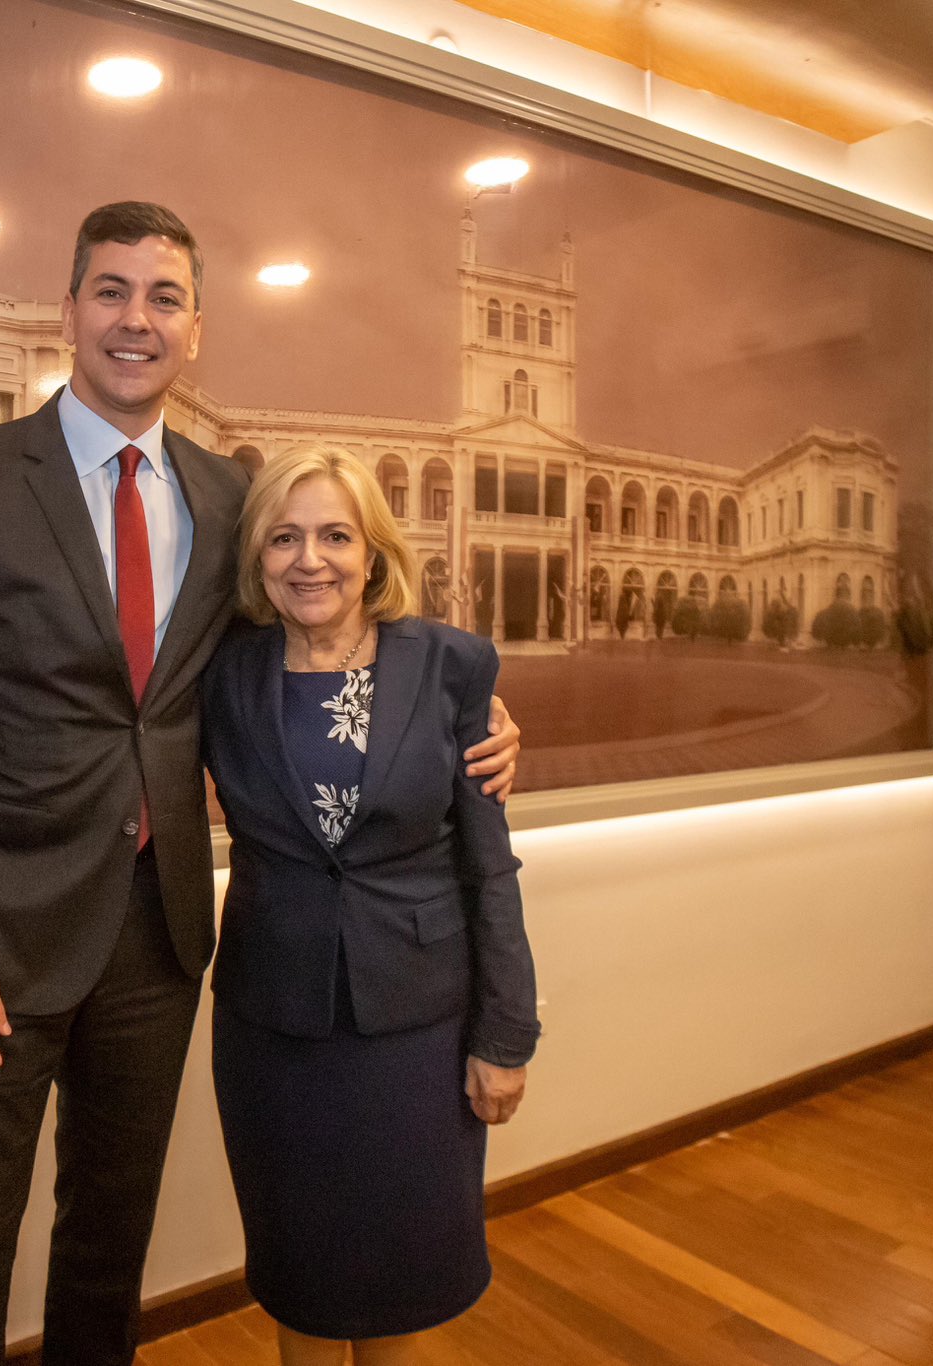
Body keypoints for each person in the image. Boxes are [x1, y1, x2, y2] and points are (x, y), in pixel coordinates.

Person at [0, 203, 521, 1366]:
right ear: (70, 311)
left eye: (163, 298)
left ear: (195, 329)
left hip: (159, 940)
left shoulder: (229, 503)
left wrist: (474, 714)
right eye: (110, 291)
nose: (135, 319)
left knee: (110, 1240)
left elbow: (321, 641)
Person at [201, 443, 540, 1366]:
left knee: (400, 1279)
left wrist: (506, 1035)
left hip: (418, 1031)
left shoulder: (453, 667)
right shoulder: (222, 678)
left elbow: (488, 865)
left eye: (334, 535)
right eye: (284, 538)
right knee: (303, 1275)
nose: (309, 559)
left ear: (374, 552)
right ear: (256, 559)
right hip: (276, 1030)